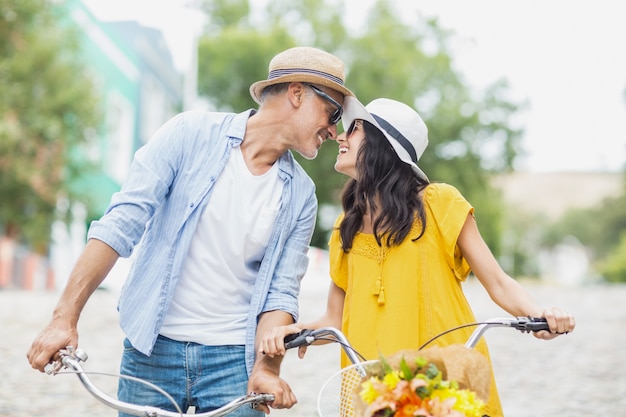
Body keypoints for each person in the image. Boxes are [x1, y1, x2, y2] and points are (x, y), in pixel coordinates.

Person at [26, 46, 354, 416]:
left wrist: (266, 369)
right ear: (297, 93)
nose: (334, 130)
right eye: (333, 112)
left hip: (234, 361)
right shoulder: (189, 135)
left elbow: (280, 292)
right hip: (152, 349)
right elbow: (121, 224)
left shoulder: (301, 195)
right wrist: (63, 319)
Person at [260, 96, 576, 417]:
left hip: (444, 380)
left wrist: (540, 317)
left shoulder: (440, 203)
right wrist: (299, 333)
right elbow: (336, 319)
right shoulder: (346, 226)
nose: (340, 136)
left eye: (354, 129)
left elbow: (497, 281)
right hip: (373, 386)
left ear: (383, 144)